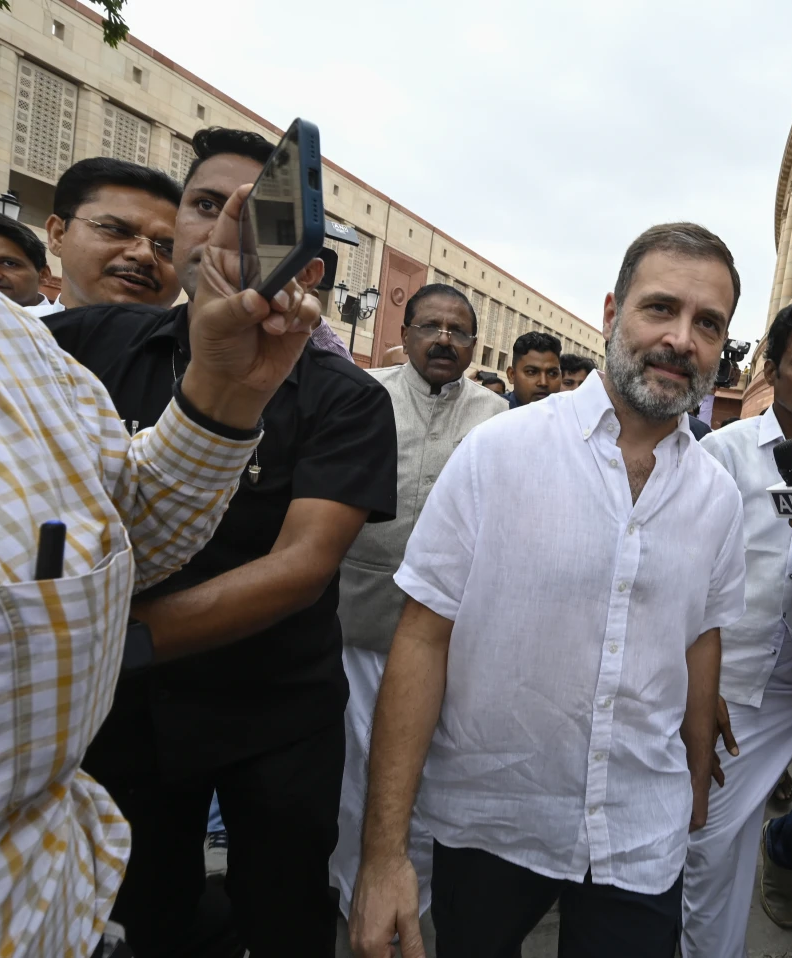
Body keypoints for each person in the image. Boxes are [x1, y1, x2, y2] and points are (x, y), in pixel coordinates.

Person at [348, 223, 747, 958]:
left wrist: (695, 780)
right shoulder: (498, 453)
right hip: (493, 819)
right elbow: (422, 638)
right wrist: (383, 854)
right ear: (612, 311)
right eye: (661, 308)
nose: (681, 339)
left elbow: (700, 640)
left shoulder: (718, 498)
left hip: (641, 829)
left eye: (708, 324)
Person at [0, 179, 319, 957]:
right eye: (202, 205)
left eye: (161, 240)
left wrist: (225, 390)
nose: (145, 255)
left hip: (48, 904)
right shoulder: (69, 333)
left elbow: (128, 520)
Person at [48, 126, 399, 958]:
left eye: (253, 217)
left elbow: (301, 567)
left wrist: (106, 639)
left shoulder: (347, 397)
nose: (225, 231)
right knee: (141, 914)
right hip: (123, 718)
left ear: (303, 260)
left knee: (284, 915)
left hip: (273, 713)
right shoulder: (81, 345)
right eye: (206, 205)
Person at [681, 300, 792, 956]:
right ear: (773, 369)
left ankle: (778, 857)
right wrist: (700, 688)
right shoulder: (723, 452)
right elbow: (689, 571)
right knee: (709, 841)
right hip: (734, 679)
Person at [330, 283, 506, 936]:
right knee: (356, 776)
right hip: (361, 623)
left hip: (451, 638)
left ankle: (414, 908)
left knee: (425, 778)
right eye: (430, 326)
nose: (443, 340)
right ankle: (354, 899)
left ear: (473, 346)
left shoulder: (497, 417)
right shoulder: (362, 395)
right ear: (404, 334)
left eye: (458, 331)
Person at [45, 156, 182, 309]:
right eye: (117, 231)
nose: (144, 255)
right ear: (58, 235)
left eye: (167, 249)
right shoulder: (23, 323)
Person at [504, 330, 562, 407]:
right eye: (531, 372)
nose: (543, 382)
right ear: (512, 375)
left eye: (552, 373)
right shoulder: (493, 411)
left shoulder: (570, 413)